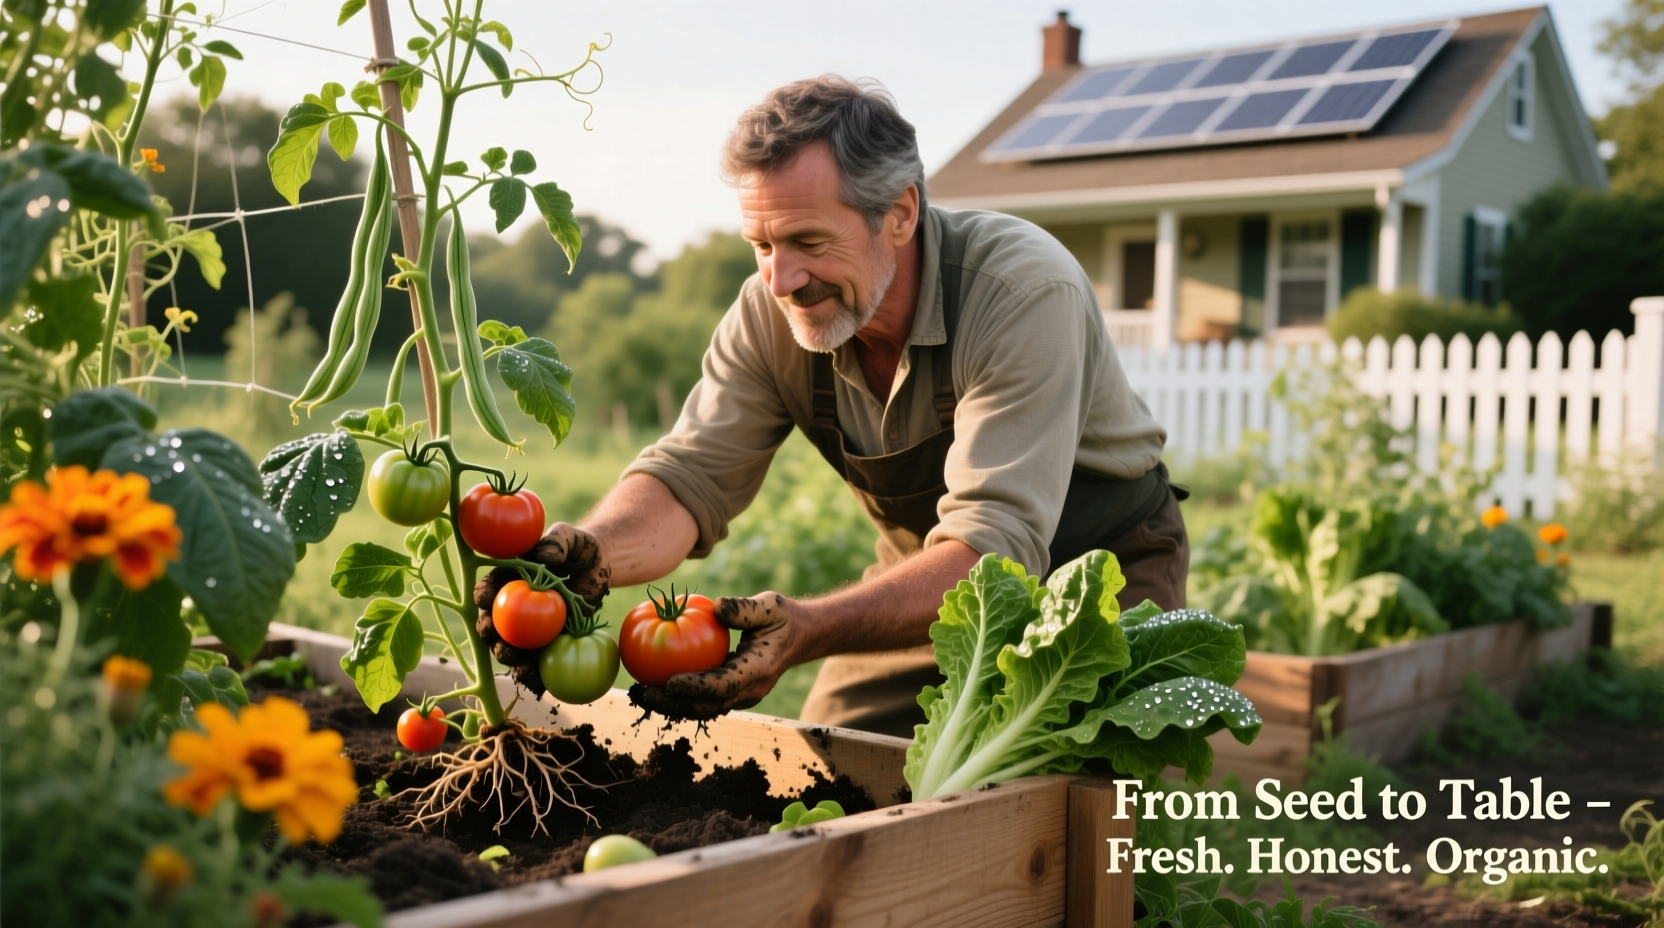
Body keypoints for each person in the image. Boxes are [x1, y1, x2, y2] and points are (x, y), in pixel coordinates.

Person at [490, 76, 1187, 738]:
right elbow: (691, 476)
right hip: (927, 586)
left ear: (901, 214)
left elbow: (993, 544)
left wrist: (813, 625)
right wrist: (586, 552)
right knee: (828, 769)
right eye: (761, 245)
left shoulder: (1020, 292)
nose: (781, 279)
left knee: (1071, 810)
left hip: (1098, 579)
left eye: (808, 242)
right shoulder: (768, 316)